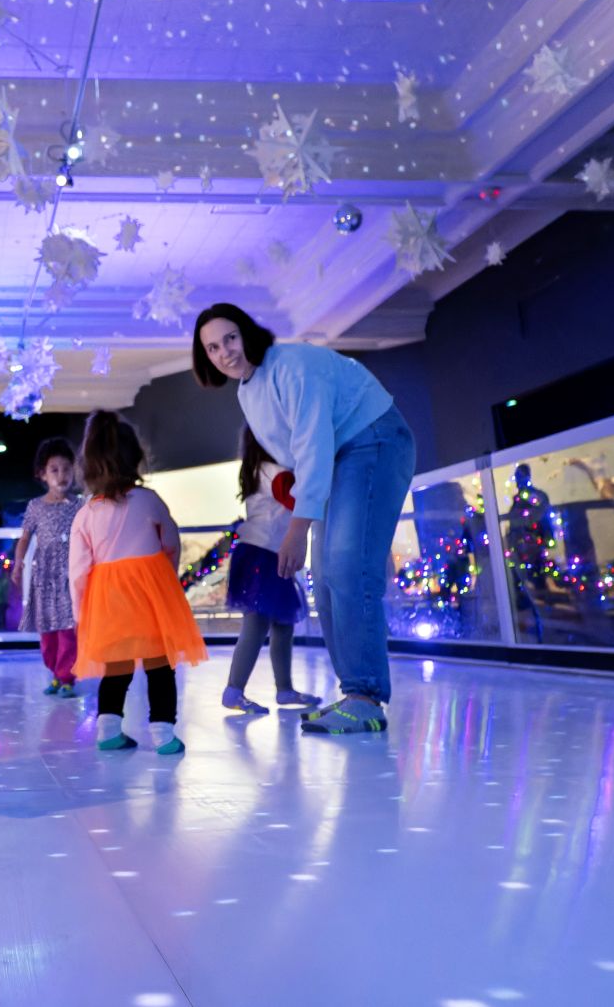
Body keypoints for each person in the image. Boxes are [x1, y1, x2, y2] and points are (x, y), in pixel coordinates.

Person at [193, 302, 415, 736]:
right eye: (213, 347)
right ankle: (354, 693)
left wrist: (298, 526)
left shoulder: (289, 365)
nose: (224, 352)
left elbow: (312, 443)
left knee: (349, 567)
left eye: (230, 338)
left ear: (247, 332)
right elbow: (298, 455)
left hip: (372, 438)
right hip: (339, 458)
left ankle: (366, 697)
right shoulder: (248, 391)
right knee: (328, 576)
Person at [68, 411, 206, 755]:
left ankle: (108, 730)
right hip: (151, 595)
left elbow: (78, 571)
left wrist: (81, 614)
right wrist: (164, 582)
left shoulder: (85, 515)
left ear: (89, 465)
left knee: (116, 667)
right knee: (160, 666)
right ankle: (163, 735)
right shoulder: (149, 501)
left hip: (108, 600)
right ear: (135, 458)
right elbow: (171, 543)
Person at [221, 428, 319, 715]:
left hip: (263, 554)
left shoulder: (257, 471)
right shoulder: (276, 473)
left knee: (282, 625)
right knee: (258, 623)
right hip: (264, 556)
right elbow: (298, 503)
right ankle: (234, 689)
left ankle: (284, 689)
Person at [13, 437, 81, 696]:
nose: (61, 475)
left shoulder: (79, 505)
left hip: (70, 575)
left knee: (67, 629)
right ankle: (55, 672)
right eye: (54, 469)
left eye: (66, 469)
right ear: (42, 474)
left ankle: (67, 677)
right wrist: (18, 563)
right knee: (47, 630)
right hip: (44, 576)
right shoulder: (35, 506)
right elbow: (25, 537)